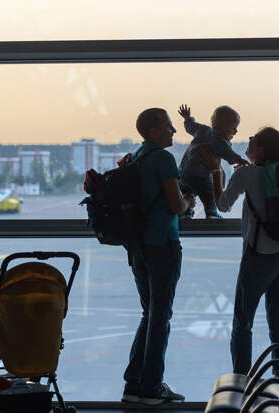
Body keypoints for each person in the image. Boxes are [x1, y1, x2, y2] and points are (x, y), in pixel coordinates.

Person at [200, 127, 279, 376]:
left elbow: (223, 204)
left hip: (259, 256)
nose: (248, 141)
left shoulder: (246, 174)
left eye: (253, 141)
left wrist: (216, 171)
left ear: (261, 150)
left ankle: (241, 380)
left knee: (242, 323)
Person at [120, 108, 195, 404]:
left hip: (138, 246)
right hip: (162, 244)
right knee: (160, 316)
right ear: (154, 131)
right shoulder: (163, 158)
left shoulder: (137, 157)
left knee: (149, 313)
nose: (173, 131)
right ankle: (152, 387)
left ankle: (133, 384)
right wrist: (188, 201)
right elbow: (176, 205)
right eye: (168, 126)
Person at [177, 104, 249, 219]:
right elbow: (228, 153)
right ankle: (211, 213)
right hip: (200, 176)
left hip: (184, 173)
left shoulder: (203, 129)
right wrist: (238, 159)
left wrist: (187, 118)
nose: (236, 131)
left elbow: (191, 127)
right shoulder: (220, 140)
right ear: (222, 127)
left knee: (187, 192)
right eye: (233, 128)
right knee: (209, 194)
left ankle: (186, 211)